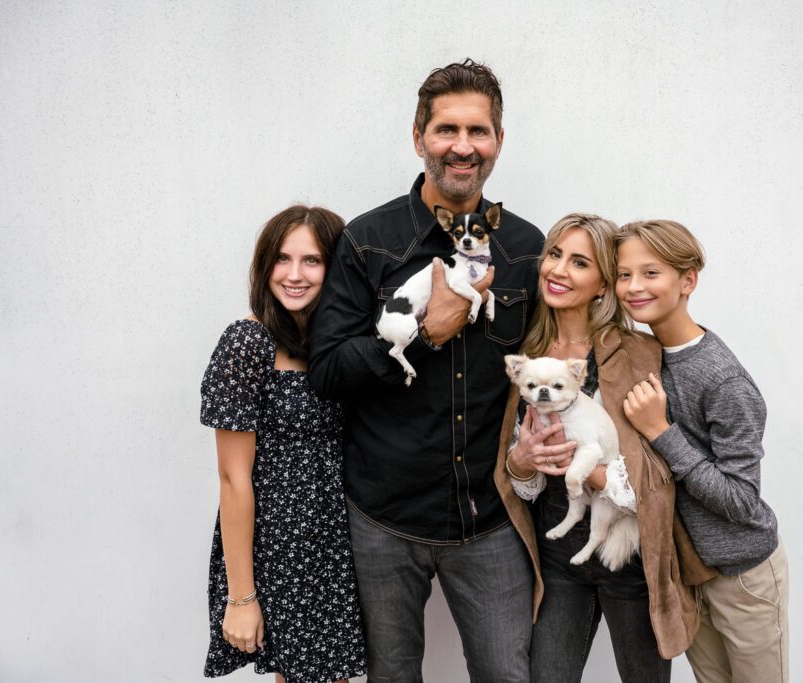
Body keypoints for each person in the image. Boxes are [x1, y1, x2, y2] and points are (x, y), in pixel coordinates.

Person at [307, 60, 544, 682]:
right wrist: (420, 331)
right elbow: (327, 370)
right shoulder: (368, 240)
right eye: (446, 130)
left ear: (497, 141)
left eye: (478, 131)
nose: (462, 146)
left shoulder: (525, 247)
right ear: (419, 138)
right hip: (383, 517)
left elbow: (555, 354)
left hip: (490, 518)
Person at [497, 213, 714, 683]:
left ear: (603, 285)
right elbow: (520, 476)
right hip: (556, 560)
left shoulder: (640, 352)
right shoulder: (524, 352)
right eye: (554, 255)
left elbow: (657, 480)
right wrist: (521, 463)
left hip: (631, 558)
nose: (558, 270)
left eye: (580, 262)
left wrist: (590, 473)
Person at [614, 219, 788, 683]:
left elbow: (740, 500)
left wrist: (661, 431)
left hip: (744, 576)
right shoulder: (644, 355)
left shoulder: (723, 379)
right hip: (692, 574)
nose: (633, 287)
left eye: (651, 273)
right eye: (623, 273)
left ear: (687, 280)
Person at [200, 205, 366, 683]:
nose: (295, 275)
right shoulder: (247, 343)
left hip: (345, 537)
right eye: (283, 259)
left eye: (312, 260)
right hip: (283, 548)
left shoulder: (343, 344)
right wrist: (242, 596)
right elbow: (233, 479)